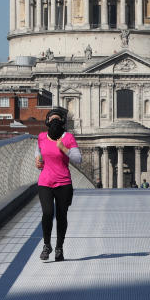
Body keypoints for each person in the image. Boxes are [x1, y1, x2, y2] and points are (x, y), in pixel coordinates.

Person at [35, 109, 82, 261]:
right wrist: (37, 159)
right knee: (47, 213)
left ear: (62, 122)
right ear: (47, 122)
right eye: (52, 119)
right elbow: (38, 151)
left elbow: (78, 158)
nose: (54, 122)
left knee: (62, 216)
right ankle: (46, 245)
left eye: (57, 119)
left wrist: (63, 148)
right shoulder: (41, 137)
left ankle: (59, 248)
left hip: (64, 183)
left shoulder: (68, 138)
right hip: (45, 182)